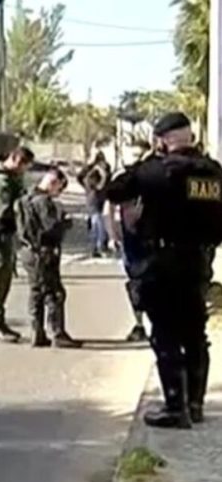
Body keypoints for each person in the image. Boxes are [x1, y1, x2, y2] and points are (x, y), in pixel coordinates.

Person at [104, 111, 222, 429]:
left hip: (163, 263)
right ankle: (195, 404)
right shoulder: (213, 173)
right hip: (199, 263)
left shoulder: (153, 171)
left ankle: (175, 407)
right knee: (196, 334)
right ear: (191, 137)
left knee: (166, 335)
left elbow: (113, 190)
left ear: (162, 140)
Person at [15, 168, 81, 348]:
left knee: (36, 291)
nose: (58, 193)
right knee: (54, 293)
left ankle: (37, 332)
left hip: (27, 250)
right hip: (43, 251)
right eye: (59, 189)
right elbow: (50, 227)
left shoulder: (24, 199)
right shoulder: (43, 202)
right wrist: (65, 222)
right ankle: (57, 333)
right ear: (54, 183)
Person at [0, 147, 36, 342]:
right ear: (15, 160)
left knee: (5, 277)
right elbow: (5, 211)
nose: (23, 172)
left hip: (5, 233)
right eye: (23, 167)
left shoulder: (11, 178)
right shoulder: (1, 181)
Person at [106, 140, 155, 342]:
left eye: (139, 155)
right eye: (132, 155)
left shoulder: (154, 174)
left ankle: (157, 325)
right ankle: (139, 324)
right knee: (135, 283)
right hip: (130, 237)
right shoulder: (122, 178)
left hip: (152, 236)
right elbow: (109, 207)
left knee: (154, 281)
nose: (135, 159)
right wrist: (112, 233)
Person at [78, 151, 112, 257]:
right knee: (97, 224)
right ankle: (98, 247)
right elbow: (97, 185)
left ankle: (98, 246)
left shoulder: (102, 169)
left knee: (98, 223)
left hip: (98, 199)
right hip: (95, 200)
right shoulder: (92, 171)